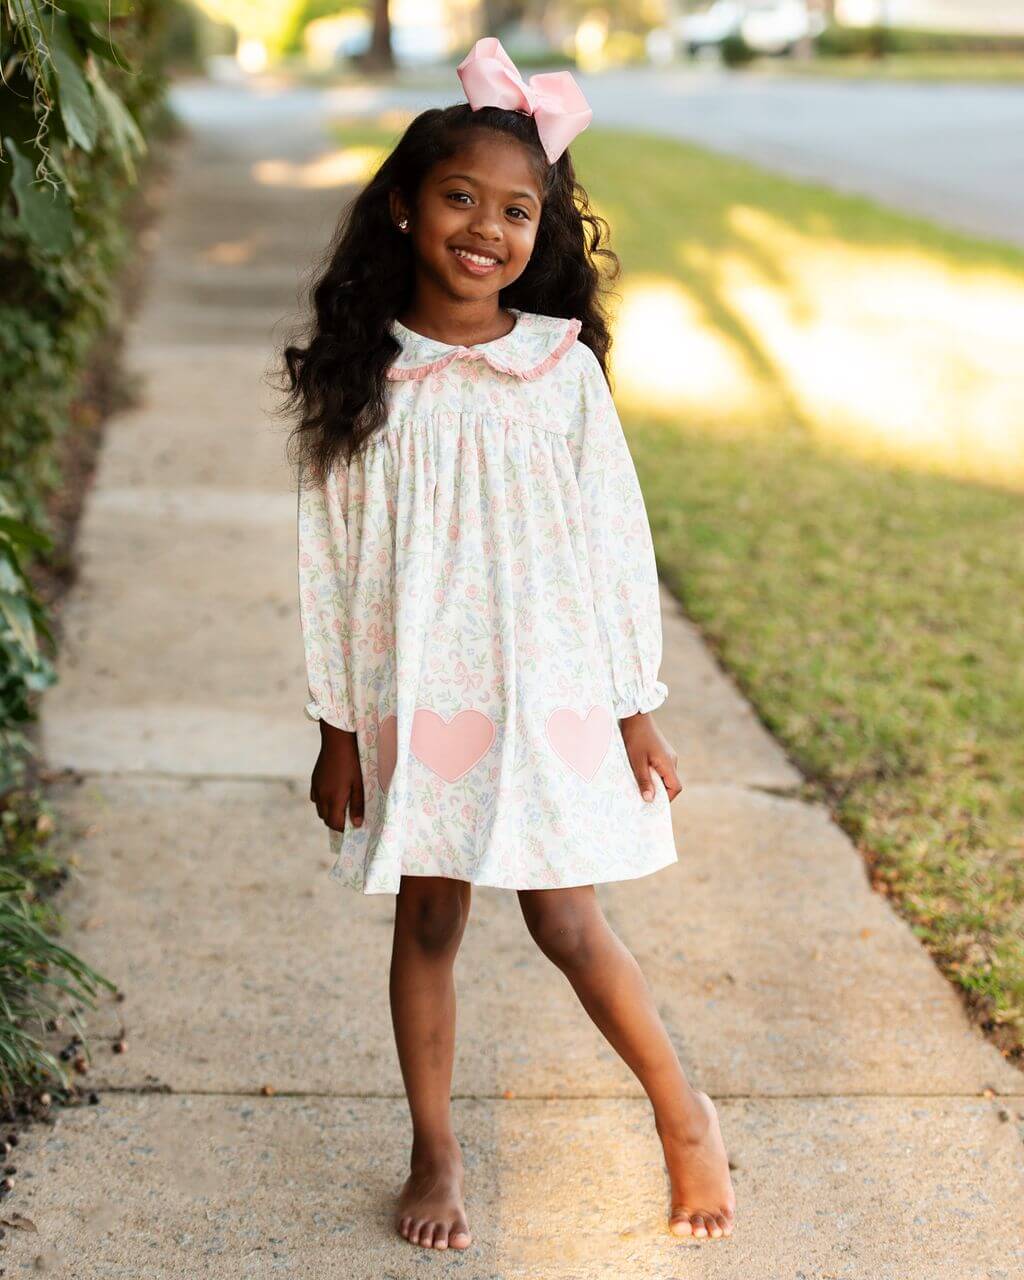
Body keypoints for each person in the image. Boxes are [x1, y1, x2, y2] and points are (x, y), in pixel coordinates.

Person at [279, 34, 735, 1253]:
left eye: (517, 210)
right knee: (426, 920)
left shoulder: (559, 370)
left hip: (550, 688)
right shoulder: (365, 380)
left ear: (547, 230)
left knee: (568, 921)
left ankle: (682, 1113)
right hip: (421, 693)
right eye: (460, 198)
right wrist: (335, 725)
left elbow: (614, 543)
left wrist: (636, 702)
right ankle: (434, 1147)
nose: (486, 228)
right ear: (403, 207)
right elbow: (329, 563)